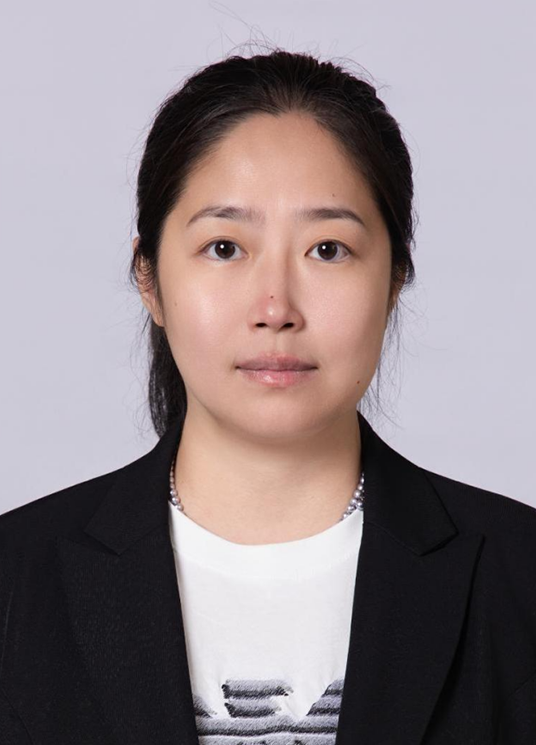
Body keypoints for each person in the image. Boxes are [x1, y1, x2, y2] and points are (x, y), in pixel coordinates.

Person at [1, 47, 535, 745]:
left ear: (394, 279)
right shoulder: (16, 581)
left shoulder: (519, 578)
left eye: (327, 250)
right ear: (149, 278)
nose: (276, 307)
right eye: (225, 248)